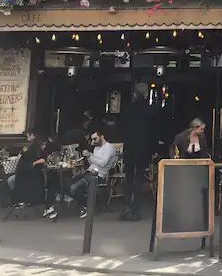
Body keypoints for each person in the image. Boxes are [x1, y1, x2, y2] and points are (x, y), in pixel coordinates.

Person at [120, 82, 157, 221]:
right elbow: (153, 133)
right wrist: (153, 149)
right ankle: (136, 209)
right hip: (143, 149)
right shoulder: (151, 110)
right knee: (139, 178)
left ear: (134, 94)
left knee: (128, 178)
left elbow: (122, 130)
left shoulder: (127, 110)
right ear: (147, 94)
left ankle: (127, 206)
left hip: (130, 148)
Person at [63, 128, 117, 218]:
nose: (93, 141)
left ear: (102, 137)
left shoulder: (109, 148)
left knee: (73, 188)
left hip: (98, 176)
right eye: (92, 139)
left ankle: (88, 205)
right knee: (66, 185)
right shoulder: (96, 149)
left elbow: (103, 163)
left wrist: (90, 156)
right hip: (89, 173)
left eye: (95, 139)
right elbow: (93, 163)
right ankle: (87, 204)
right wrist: (88, 157)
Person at [13, 130, 47, 210]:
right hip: (28, 172)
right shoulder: (31, 147)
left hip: (30, 171)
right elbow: (26, 162)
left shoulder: (33, 147)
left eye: (28, 136)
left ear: (33, 136)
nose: (28, 138)